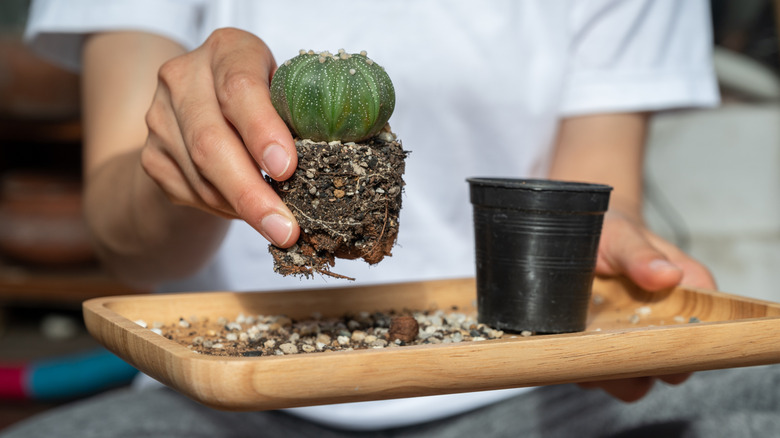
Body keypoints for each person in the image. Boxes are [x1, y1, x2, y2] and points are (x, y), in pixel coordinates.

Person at [6, 1, 779, 437]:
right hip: (227, 397)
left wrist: (606, 253)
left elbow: (594, 189)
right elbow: (122, 236)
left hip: (510, 385)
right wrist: (178, 172)